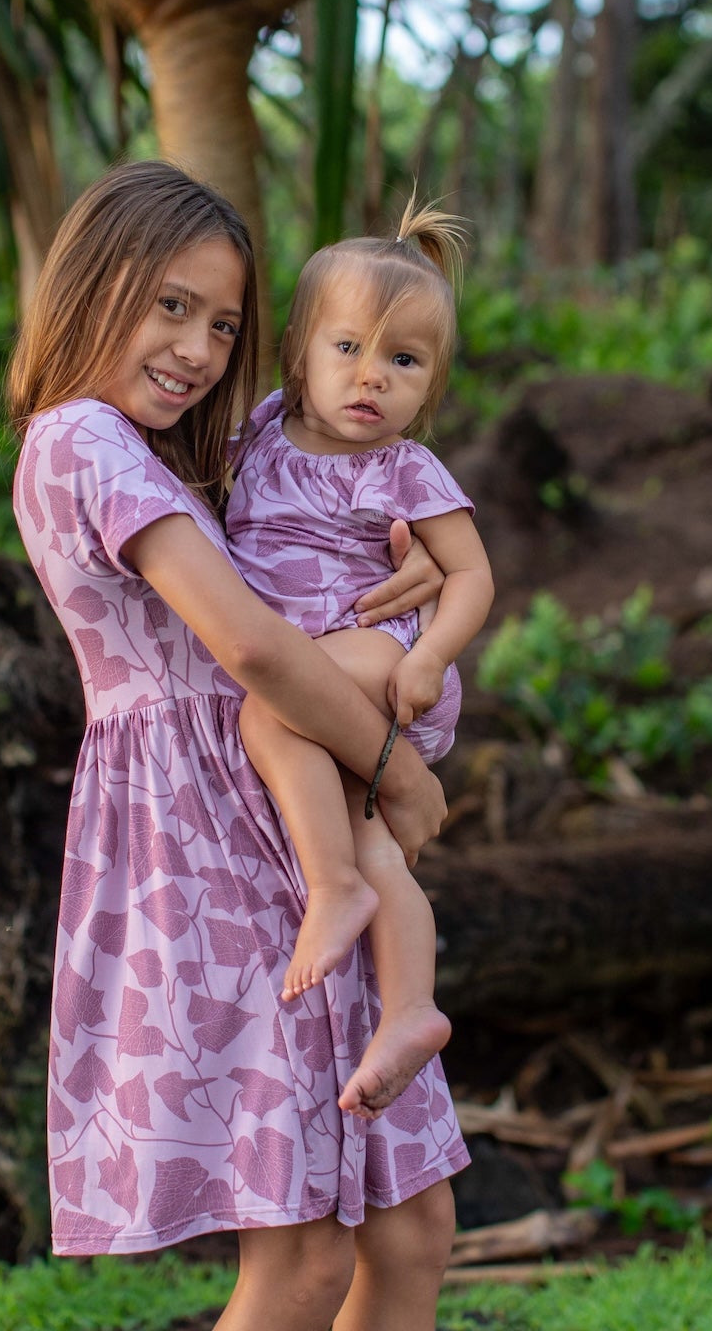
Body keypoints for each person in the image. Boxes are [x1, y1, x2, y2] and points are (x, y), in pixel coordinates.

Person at [8, 162, 468, 1330]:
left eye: (222, 324)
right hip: (210, 852)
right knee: (305, 1261)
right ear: (90, 282)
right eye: (170, 305)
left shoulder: (169, 454)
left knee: (410, 1230)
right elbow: (255, 650)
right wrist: (396, 768)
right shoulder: (81, 442)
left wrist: (401, 555)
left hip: (283, 814)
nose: (201, 349)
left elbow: (312, 556)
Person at [229, 201, 493, 1123]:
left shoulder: (405, 469)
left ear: (432, 384)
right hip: (333, 670)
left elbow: (471, 576)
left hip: (382, 657)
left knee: (267, 708)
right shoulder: (260, 435)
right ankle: (413, 1009)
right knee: (374, 835)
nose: (371, 378)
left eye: (404, 362)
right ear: (299, 350)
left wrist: (433, 660)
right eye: (348, 349)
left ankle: (331, 887)